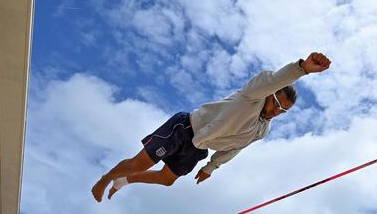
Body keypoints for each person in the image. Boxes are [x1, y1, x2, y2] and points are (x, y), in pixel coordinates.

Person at [91, 52, 332, 201]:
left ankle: (124, 181)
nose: (276, 111)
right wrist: (302, 68)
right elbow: (275, 80)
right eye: (277, 103)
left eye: (283, 111)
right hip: (184, 128)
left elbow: (235, 148)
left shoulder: (262, 129)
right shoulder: (253, 95)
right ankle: (106, 178)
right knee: (137, 164)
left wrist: (211, 167)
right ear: (269, 95)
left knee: (166, 180)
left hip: (198, 148)